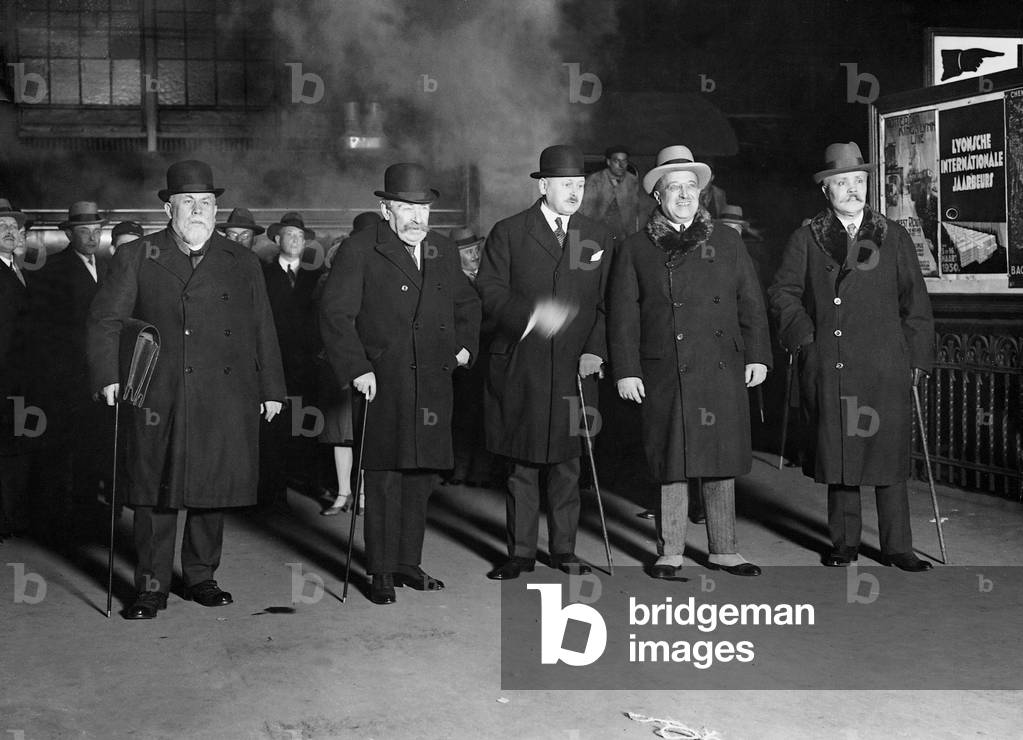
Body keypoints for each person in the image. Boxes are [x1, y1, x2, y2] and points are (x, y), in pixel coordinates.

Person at [87, 160, 286, 619]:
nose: (199, 210)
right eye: (189, 202)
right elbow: (106, 320)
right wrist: (108, 376)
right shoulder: (138, 255)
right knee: (154, 492)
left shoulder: (242, 261)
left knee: (211, 489)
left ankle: (201, 577)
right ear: (169, 208)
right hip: (159, 394)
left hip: (225, 394)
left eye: (207, 203)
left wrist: (272, 387)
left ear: (216, 209)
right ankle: (151, 587)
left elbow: (263, 327)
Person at [768, 142, 935, 572]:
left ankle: (898, 547)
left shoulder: (892, 235)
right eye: (842, 183)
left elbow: (915, 302)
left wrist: (917, 359)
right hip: (832, 362)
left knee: (888, 455)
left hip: (885, 364)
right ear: (826, 190)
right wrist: (806, 339)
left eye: (858, 181)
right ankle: (844, 543)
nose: (853, 189)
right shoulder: (807, 238)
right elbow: (783, 293)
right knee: (841, 454)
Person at [319, 163, 480, 605]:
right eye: (407, 209)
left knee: (420, 478)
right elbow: (335, 315)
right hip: (383, 384)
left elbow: (467, 304)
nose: (417, 218)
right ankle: (381, 570)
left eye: (423, 209)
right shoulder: (360, 249)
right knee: (385, 479)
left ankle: (409, 563)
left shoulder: (442, 249)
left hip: (432, 383)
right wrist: (357, 368)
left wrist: (464, 348)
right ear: (386, 210)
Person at [609, 145, 771, 579]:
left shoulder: (727, 241)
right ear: (657, 196)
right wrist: (626, 369)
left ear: (701, 193)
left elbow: (750, 303)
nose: (684, 195)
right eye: (673, 188)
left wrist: (758, 355)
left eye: (690, 187)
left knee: (721, 458)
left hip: (720, 363)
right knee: (672, 460)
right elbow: (623, 315)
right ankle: (671, 551)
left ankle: (725, 550)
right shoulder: (636, 248)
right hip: (666, 367)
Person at [476, 144, 612, 580]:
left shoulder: (597, 235)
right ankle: (520, 553)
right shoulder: (509, 232)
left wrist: (594, 349)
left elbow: (606, 303)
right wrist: (532, 315)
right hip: (523, 364)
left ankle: (564, 551)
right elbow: (489, 290)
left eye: (580, 185)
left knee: (568, 463)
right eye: (566, 184)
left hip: (575, 368)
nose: (575, 192)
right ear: (543, 186)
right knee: (523, 464)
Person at [31, 201, 114, 539]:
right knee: (66, 452)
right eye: (84, 231)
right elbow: (45, 331)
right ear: (69, 234)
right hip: (68, 379)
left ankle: (91, 519)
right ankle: (65, 526)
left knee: (96, 450)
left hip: (101, 376)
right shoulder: (53, 269)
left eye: (96, 231)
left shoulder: (108, 267)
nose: (92, 237)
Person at [257, 212, 324, 512]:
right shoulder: (264, 274)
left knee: (308, 426)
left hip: (308, 366)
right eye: (289, 234)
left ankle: (308, 483)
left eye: (300, 236)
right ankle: (273, 492)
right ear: (277, 239)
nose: (296, 240)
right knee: (274, 429)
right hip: (275, 363)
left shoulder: (317, 275)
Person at [319, 212, 380, 516]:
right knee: (342, 433)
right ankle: (344, 493)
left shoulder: (385, 276)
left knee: (370, 433)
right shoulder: (329, 279)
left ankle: (366, 494)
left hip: (375, 366)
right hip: (341, 365)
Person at [0, 199, 33, 542]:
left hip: (18, 380)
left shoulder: (17, 270)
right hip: (3, 378)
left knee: (12, 448)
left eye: (14, 226)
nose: (11, 231)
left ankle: (9, 517)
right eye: (2, 227)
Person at [579, 145, 648, 243]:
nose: (621, 165)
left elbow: (641, 210)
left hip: (626, 236)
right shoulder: (595, 180)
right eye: (617, 161)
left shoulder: (633, 182)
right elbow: (585, 210)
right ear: (608, 162)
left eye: (624, 161)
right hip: (598, 235)